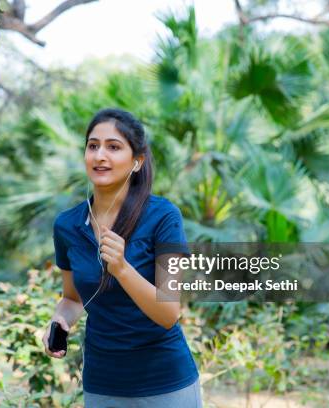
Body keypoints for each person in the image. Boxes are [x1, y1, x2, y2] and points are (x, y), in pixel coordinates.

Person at [42, 108, 202, 407]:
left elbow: (169, 314)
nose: (100, 155)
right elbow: (73, 298)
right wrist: (61, 319)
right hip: (103, 385)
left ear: (137, 161)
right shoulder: (67, 225)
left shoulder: (164, 217)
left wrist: (121, 268)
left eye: (113, 147)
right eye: (93, 146)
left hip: (165, 384)